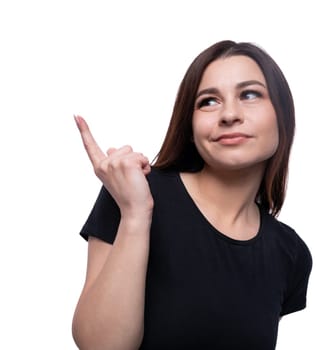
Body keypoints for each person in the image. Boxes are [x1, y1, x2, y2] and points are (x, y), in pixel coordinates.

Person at [71, 40, 312, 350]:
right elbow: (100, 345)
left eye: (249, 94)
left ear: (283, 116)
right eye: (208, 101)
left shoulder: (290, 253)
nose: (229, 114)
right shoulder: (136, 192)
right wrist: (135, 215)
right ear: (190, 124)